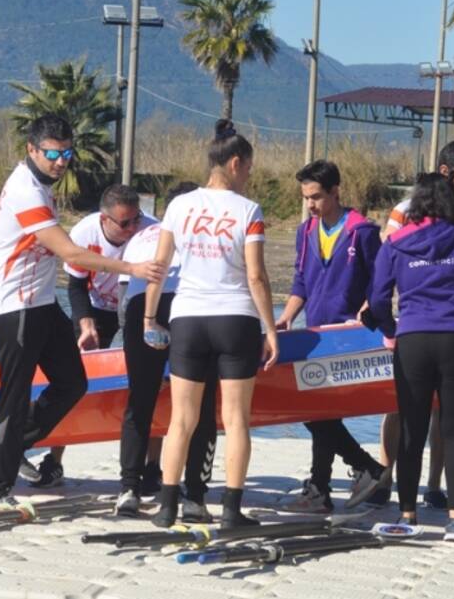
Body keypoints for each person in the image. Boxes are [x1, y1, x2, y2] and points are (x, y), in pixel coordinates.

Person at [0, 114, 164, 512]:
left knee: (73, 382)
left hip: (42, 303)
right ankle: (0, 491)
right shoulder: (27, 190)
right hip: (18, 308)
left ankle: (10, 443)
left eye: (67, 153)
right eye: (52, 154)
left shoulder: (40, 184)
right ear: (31, 150)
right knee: (13, 396)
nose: (61, 161)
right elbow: (72, 254)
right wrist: (132, 269)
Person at [142, 120, 279, 529]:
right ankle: (232, 511)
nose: (249, 175)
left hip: (187, 317)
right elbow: (256, 276)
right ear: (235, 163)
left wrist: (150, 318)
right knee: (236, 419)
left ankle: (167, 506)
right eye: (249, 168)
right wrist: (270, 329)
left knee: (181, 419)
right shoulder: (248, 210)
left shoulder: (179, 206)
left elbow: (160, 266)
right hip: (235, 318)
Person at [368, 173, 454, 542]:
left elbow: (380, 299)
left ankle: (407, 514)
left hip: (413, 338)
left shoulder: (396, 244)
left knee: (412, 428)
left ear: (416, 203)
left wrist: (389, 328)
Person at [276, 160, 391, 512]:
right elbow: (301, 282)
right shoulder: (305, 231)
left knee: (318, 411)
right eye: (306, 198)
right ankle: (341, 480)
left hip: (347, 338)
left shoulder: (363, 232)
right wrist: (286, 318)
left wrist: (368, 308)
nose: (310, 204)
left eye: (316, 197)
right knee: (319, 412)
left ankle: (340, 480)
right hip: (312, 334)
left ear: (335, 191)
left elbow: (381, 281)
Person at [23, 185, 154, 488]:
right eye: (125, 223)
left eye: (136, 219)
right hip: (96, 308)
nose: (133, 228)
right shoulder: (84, 233)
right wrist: (85, 323)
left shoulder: (150, 230)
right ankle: (54, 462)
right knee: (74, 384)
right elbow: (76, 286)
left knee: (149, 381)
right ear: (104, 219)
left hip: (137, 304)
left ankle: (151, 467)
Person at [115, 181, 221, 521]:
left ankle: (129, 489)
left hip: (142, 309)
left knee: (140, 400)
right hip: (190, 310)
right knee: (200, 405)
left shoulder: (144, 235)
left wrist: (140, 330)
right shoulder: (208, 231)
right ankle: (194, 496)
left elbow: (123, 294)